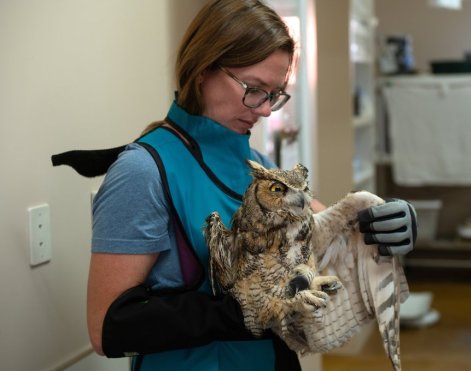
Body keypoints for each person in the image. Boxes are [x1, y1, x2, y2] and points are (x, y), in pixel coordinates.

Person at [85, 1, 417, 370]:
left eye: (274, 94)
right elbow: (106, 330)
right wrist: (245, 307)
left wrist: (382, 221)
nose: (264, 110)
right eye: (254, 88)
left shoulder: (259, 166)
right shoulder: (142, 171)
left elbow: (325, 230)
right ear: (202, 70)